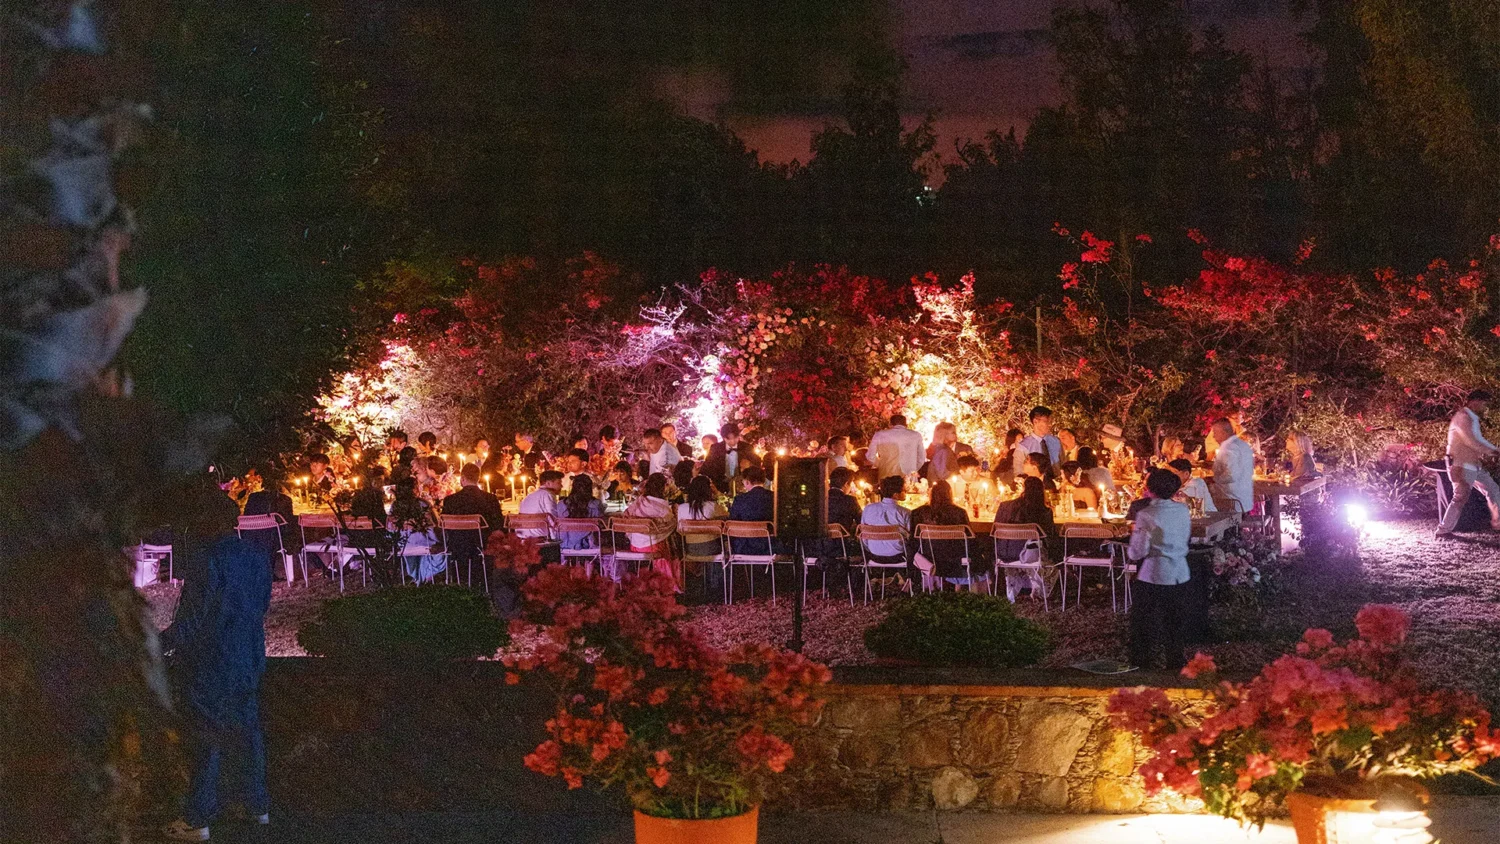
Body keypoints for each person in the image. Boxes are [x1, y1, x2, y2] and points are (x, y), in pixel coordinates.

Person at [160, 495, 272, 843]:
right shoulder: (257, 556)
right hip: (248, 655)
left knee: (206, 736)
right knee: (247, 732)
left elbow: (194, 616)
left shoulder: (206, 559)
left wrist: (161, 644)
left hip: (211, 660)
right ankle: (255, 806)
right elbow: (263, 604)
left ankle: (197, 817)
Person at [1127, 469, 1192, 671]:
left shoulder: (1146, 514)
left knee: (1144, 621)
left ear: (1149, 489)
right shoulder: (1183, 510)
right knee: (1174, 622)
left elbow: (1137, 551)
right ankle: (1175, 660)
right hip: (1180, 571)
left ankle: (1143, 660)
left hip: (1153, 573)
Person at [1436, 389, 1500, 537]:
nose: (1484, 407)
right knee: (1459, 498)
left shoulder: (1470, 417)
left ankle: (1498, 523)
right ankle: (1443, 530)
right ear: (1475, 401)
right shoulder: (1464, 417)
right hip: (1462, 465)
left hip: (1472, 465)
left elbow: (1475, 441)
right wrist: (1495, 451)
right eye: (1484, 403)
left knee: (1493, 490)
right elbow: (1472, 441)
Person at [993, 474, 1057, 601]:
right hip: (1030, 556)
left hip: (1004, 553)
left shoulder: (1005, 506)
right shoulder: (1044, 511)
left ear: (1024, 488)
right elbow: (1049, 535)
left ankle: (1014, 588)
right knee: (1053, 558)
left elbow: (996, 529)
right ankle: (1039, 590)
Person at [439, 464, 505, 584]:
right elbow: (498, 524)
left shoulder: (450, 500)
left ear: (462, 479)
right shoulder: (490, 499)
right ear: (478, 478)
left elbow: (444, 524)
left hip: (457, 545)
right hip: (482, 544)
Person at [909, 480, 974, 587]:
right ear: (950, 493)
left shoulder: (918, 513)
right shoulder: (959, 513)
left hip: (928, 557)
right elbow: (969, 539)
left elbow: (913, 540)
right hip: (955, 557)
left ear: (931, 494)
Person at [241, 466, 297, 581]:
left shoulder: (253, 497)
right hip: (273, 539)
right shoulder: (284, 499)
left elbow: (247, 516)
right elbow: (289, 521)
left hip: (251, 537)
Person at [622, 473, 678, 583]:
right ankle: (667, 581)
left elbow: (626, 515)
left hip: (634, 546)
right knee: (670, 542)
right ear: (663, 487)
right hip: (652, 548)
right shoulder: (662, 507)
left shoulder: (639, 501)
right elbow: (671, 525)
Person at [860, 475, 912, 565]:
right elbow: (909, 538)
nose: (906, 492)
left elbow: (864, 537)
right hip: (898, 556)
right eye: (904, 490)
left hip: (873, 555)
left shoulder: (868, 509)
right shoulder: (905, 512)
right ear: (895, 495)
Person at [1210, 417, 1256, 515]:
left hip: (1231, 504)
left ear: (1223, 433)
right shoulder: (1243, 445)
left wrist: (1214, 480)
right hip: (1245, 502)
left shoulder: (1229, 448)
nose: (1214, 437)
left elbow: (1231, 475)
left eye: (1215, 433)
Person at [727, 466, 775, 554]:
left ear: (747, 482)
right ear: (763, 481)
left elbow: (732, 524)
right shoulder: (775, 498)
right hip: (771, 546)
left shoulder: (740, 499)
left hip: (744, 547)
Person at [554, 474, 606, 552]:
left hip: (565, 544)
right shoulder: (596, 504)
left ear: (573, 487)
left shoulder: (561, 504)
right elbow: (601, 523)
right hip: (589, 545)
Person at [702, 423, 756, 493]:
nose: (733, 441)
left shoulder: (747, 448)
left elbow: (757, 467)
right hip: (720, 487)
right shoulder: (715, 448)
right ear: (723, 438)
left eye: (735, 438)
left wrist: (749, 466)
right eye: (729, 439)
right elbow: (708, 467)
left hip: (743, 488)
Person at [869, 414, 925, 480]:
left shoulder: (879, 435)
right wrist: (912, 468)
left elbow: (870, 456)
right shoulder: (916, 435)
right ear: (906, 425)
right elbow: (921, 458)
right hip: (909, 477)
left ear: (890, 424)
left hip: (887, 476)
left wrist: (881, 464)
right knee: (910, 490)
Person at [1012, 407, 1061, 478]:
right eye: (1046, 421)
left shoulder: (1056, 442)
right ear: (1035, 422)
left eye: (1051, 421)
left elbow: (1063, 465)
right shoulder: (1023, 446)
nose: (1050, 424)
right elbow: (1018, 473)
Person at [516, 470, 564, 540]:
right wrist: (556, 539)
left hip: (523, 536)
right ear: (548, 483)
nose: (561, 486)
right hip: (540, 537)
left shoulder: (528, 496)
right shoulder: (548, 495)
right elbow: (552, 519)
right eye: (559, 483)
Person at [827, 467, 861, 533]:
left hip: (823, 541)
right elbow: (861, 522)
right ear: (846, 484)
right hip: (843, 540)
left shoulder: (822, 499)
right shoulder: (849, 500)